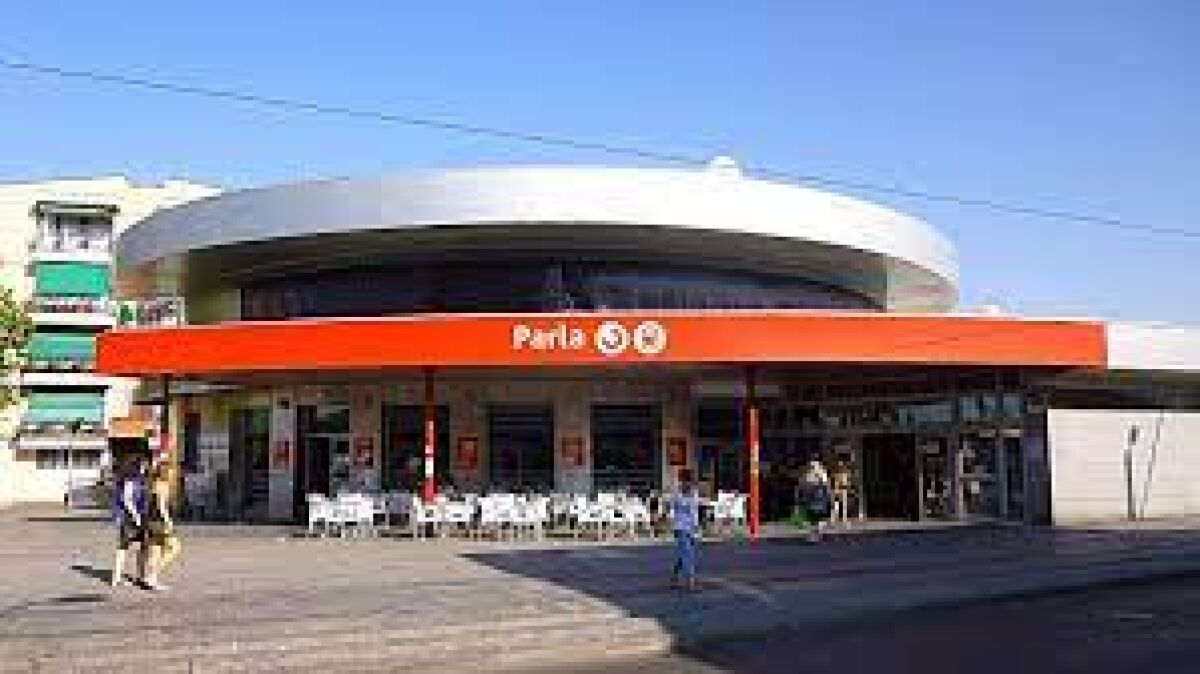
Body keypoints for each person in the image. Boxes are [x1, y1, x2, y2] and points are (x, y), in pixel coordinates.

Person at [142, 462, 182, 592]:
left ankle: (151, 579)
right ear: (165, 472)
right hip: (159, 522)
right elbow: (161, 506)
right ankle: (152, 576)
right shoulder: (163, 485)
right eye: (171, 471)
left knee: (156, 550)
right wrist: (168, 521)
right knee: (175, 548)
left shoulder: (152, 484)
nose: (173, 474)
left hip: (151, 521)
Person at [110, 456, 147, 588]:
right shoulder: (131, 481)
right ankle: (134, 576)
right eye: (142, 465)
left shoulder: (134, 480)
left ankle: (123, 576)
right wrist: (136, 516)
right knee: (128, 547)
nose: (144, 468)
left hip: (129, 518)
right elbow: (127, 500)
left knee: (131, 547)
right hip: (130, 519)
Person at [668, 468, 701, 591]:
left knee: (681, 555)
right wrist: (672, 525)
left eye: (689, 481)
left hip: (690, 528)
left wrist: (696, 528)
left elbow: (694, 512)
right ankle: (691, 582)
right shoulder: (676, 494)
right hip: (680, 527)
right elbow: (672, 510)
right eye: (685, 481)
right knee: (688, 554)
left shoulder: (694, 494)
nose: (687, 483)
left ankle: (674, 577)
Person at [800, 459, 833, 543]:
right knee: (815, 518)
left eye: (814, 466)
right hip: (814, 498)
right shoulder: (809, 475)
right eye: (812, 466)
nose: (812, 467)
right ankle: (814, 535)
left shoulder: (817, 474)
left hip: (818, 498)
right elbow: (803, 486)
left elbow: (826, 486)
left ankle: (816, 535)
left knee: (817, 518)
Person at [830, 456, 854, 527]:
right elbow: (833, 482)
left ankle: (843, 519)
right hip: (837, 490)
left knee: (843, 506)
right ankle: (834, 519)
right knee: (836, 506)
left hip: (843, 490)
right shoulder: (835, 473)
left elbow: (847, 482)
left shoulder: (845, 473)